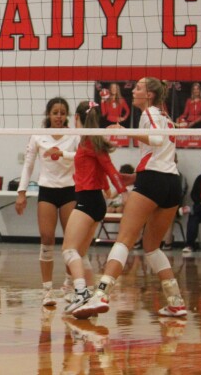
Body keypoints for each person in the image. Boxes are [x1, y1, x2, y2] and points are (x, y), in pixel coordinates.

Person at [72, 77, 187, 319]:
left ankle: (101, 294)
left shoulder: (151, 113)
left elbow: (156, 139)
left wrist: (127, 131)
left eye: (138, 88)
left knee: (124, 239)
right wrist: (133, 178)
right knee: (151, 247)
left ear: (150, 95)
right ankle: (175, 302)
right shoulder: (164, 116)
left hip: (154, 180)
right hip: (171, 184)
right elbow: (162, 156)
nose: (133, 91)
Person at [61, 100, 128, 315]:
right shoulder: (89, 142)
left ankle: (80, 293)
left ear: (77, 119)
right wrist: (108, 188)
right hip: (95, 199)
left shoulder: (89, 142)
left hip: (88, 200)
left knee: (68, 250)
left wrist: (124, 194)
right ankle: (88, 296)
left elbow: (109, 168)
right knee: (79, 254)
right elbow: (101, 168)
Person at [15, 97, 80, 307]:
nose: (59, 117)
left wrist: (63, 154)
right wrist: (21, 192)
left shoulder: (74, 135)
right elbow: (28, 165)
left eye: (62, 113)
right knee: (47, 238)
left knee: (71, 241)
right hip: (47, 191)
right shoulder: (38, 136)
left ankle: (70, 286)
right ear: (49, 115)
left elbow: (82, 157)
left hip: (70, 190)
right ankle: (47, 290)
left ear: (67, 115)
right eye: (55, 113)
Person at [161, 153, 188, 250]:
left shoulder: (181, 177)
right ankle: (141, 241)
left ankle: (168, 242)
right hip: (159, 204)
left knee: (170, 211)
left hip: (174, 205)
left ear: (176, 162)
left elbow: (180, 194)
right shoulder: (158, 176)